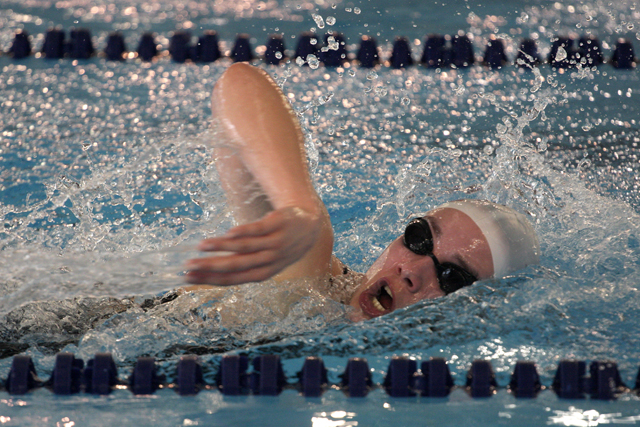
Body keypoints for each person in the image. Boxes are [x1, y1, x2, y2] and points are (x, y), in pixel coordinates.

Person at [185, 63, 540, 321]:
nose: (411, 271)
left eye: (452, 279)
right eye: (418, 239)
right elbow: (238, 82)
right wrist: (300, 206)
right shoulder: (307, 279)